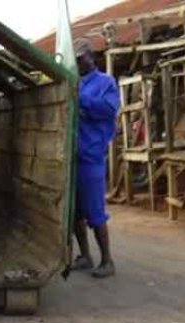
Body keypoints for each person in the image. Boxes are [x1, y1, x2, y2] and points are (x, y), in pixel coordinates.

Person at [72, 38, 120, 279]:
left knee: (95, 212)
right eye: (76, 61)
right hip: (73, 157)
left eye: (81, 59)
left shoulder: (105, 83)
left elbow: (109, 110)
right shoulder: (75, 83)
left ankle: (107, 260)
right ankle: (85, 256)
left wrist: (81, 99)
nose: (78, 64)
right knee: (74, 212)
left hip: (91, 156)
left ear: (91, 58)